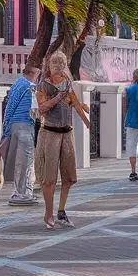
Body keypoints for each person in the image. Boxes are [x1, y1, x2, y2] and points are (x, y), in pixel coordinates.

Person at [35, 51, 78, 230]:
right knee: (48, 177)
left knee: (69, 176)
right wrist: (57, 97)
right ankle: (48, 213)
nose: (58, 64)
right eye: (55, 61)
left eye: (61, 61)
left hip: (67, 132)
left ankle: (61, 211)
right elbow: (41, 108)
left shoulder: (68, 82)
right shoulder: (44, 84)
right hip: (50, 134)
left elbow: (73, 103)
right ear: (49, 64)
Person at [0, 63, 41, 205]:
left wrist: (6, 130)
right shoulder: (28, 87)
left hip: (16, 126)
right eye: (37, 74)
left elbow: (10, 107)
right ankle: (21, 194)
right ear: (33, 73)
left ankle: (22, 192)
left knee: (21, 161)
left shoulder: (17, 84)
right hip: (24, 126)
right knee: (25, 162)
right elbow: (33, 110)